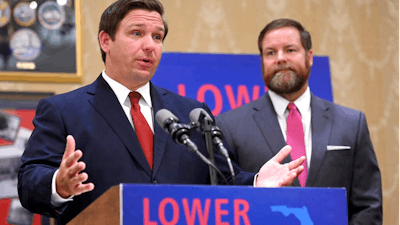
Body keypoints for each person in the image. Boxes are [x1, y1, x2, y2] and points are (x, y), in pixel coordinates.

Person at [17, 2, 305, 224]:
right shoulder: (63, 110)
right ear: (106, 41)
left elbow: (222, 180)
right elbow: (29, 182)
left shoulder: (191, 112)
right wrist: (59, 184)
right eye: (137, 33)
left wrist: (256, 182)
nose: (150, 46)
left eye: (158, 36)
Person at [215, 18, 382, 224]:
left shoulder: (351, 123)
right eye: (270, 53)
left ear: (309, 57)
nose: (280, 58)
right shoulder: (229, 125)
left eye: (290, 50)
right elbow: (224, 205)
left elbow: (368, 206)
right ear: (261, 62)